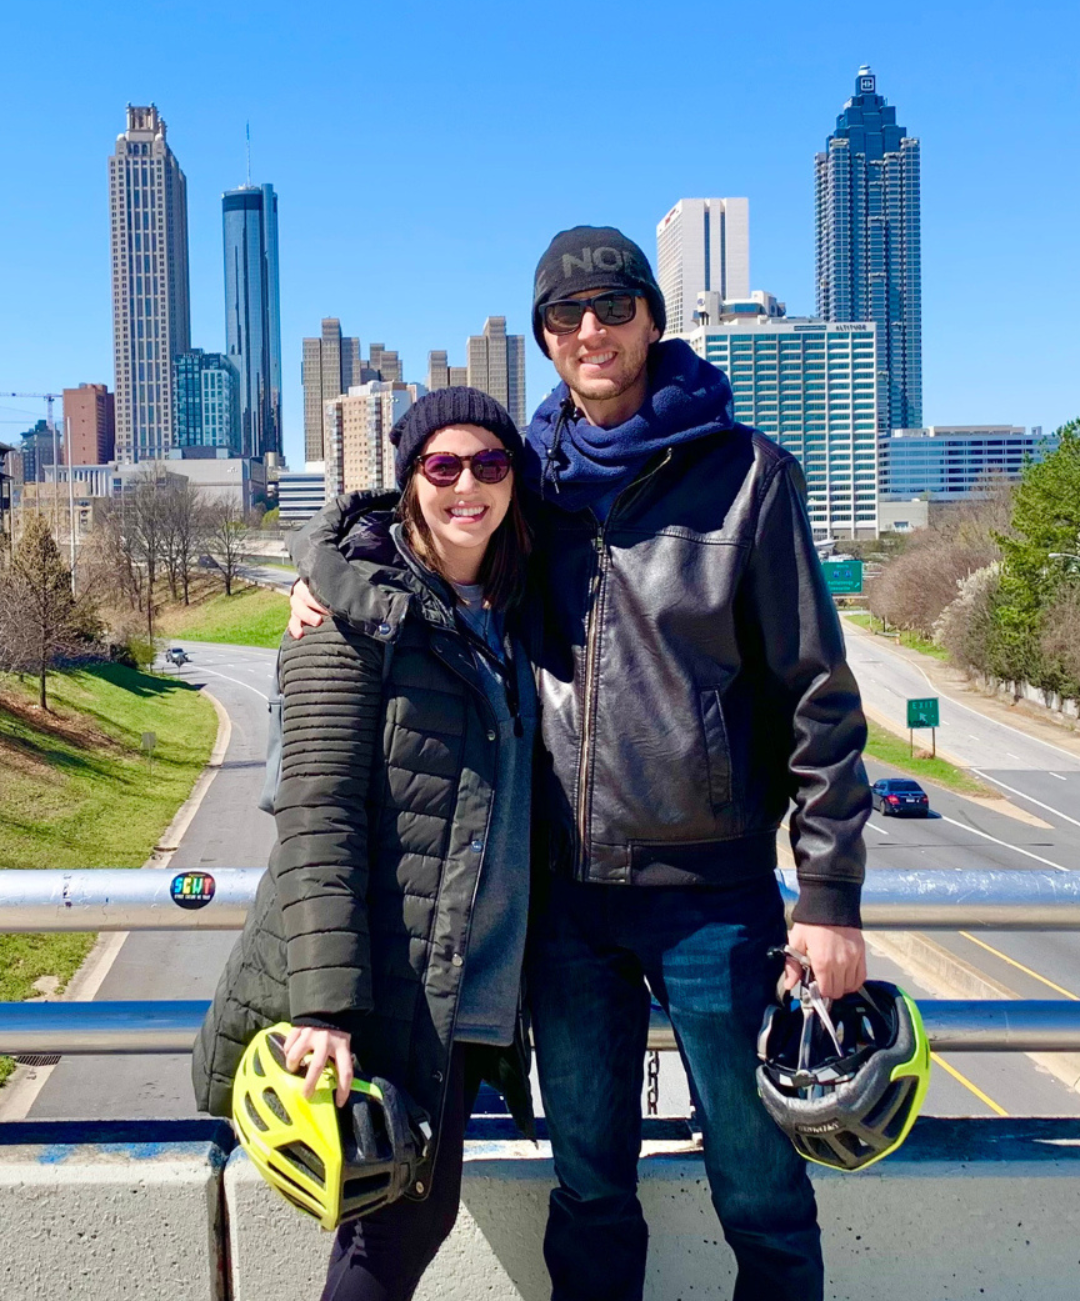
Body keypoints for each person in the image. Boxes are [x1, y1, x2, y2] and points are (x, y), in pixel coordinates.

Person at [288, 227, 871, 1301]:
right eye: (566, 314)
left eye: (612, 306)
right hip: (564, 904)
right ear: (547, 337)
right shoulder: (532, 479)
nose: (590, 329)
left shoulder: (748, 477)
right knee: (590, 1188)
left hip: (714, 900)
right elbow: (416, 529)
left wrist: (829, 895)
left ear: (652, 317)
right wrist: (321, 578)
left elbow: (818, 699)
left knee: (761, 1189)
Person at [193, 388, 539, 1301]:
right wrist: (326, 1009)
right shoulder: (349, 611)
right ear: (410, 479)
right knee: (388, 1234)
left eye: (490, 464)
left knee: (409, 1218)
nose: (467, 485)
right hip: (384, 983)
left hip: (465, 978)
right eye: (443, 465)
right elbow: (316, 814)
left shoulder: (513, 608)